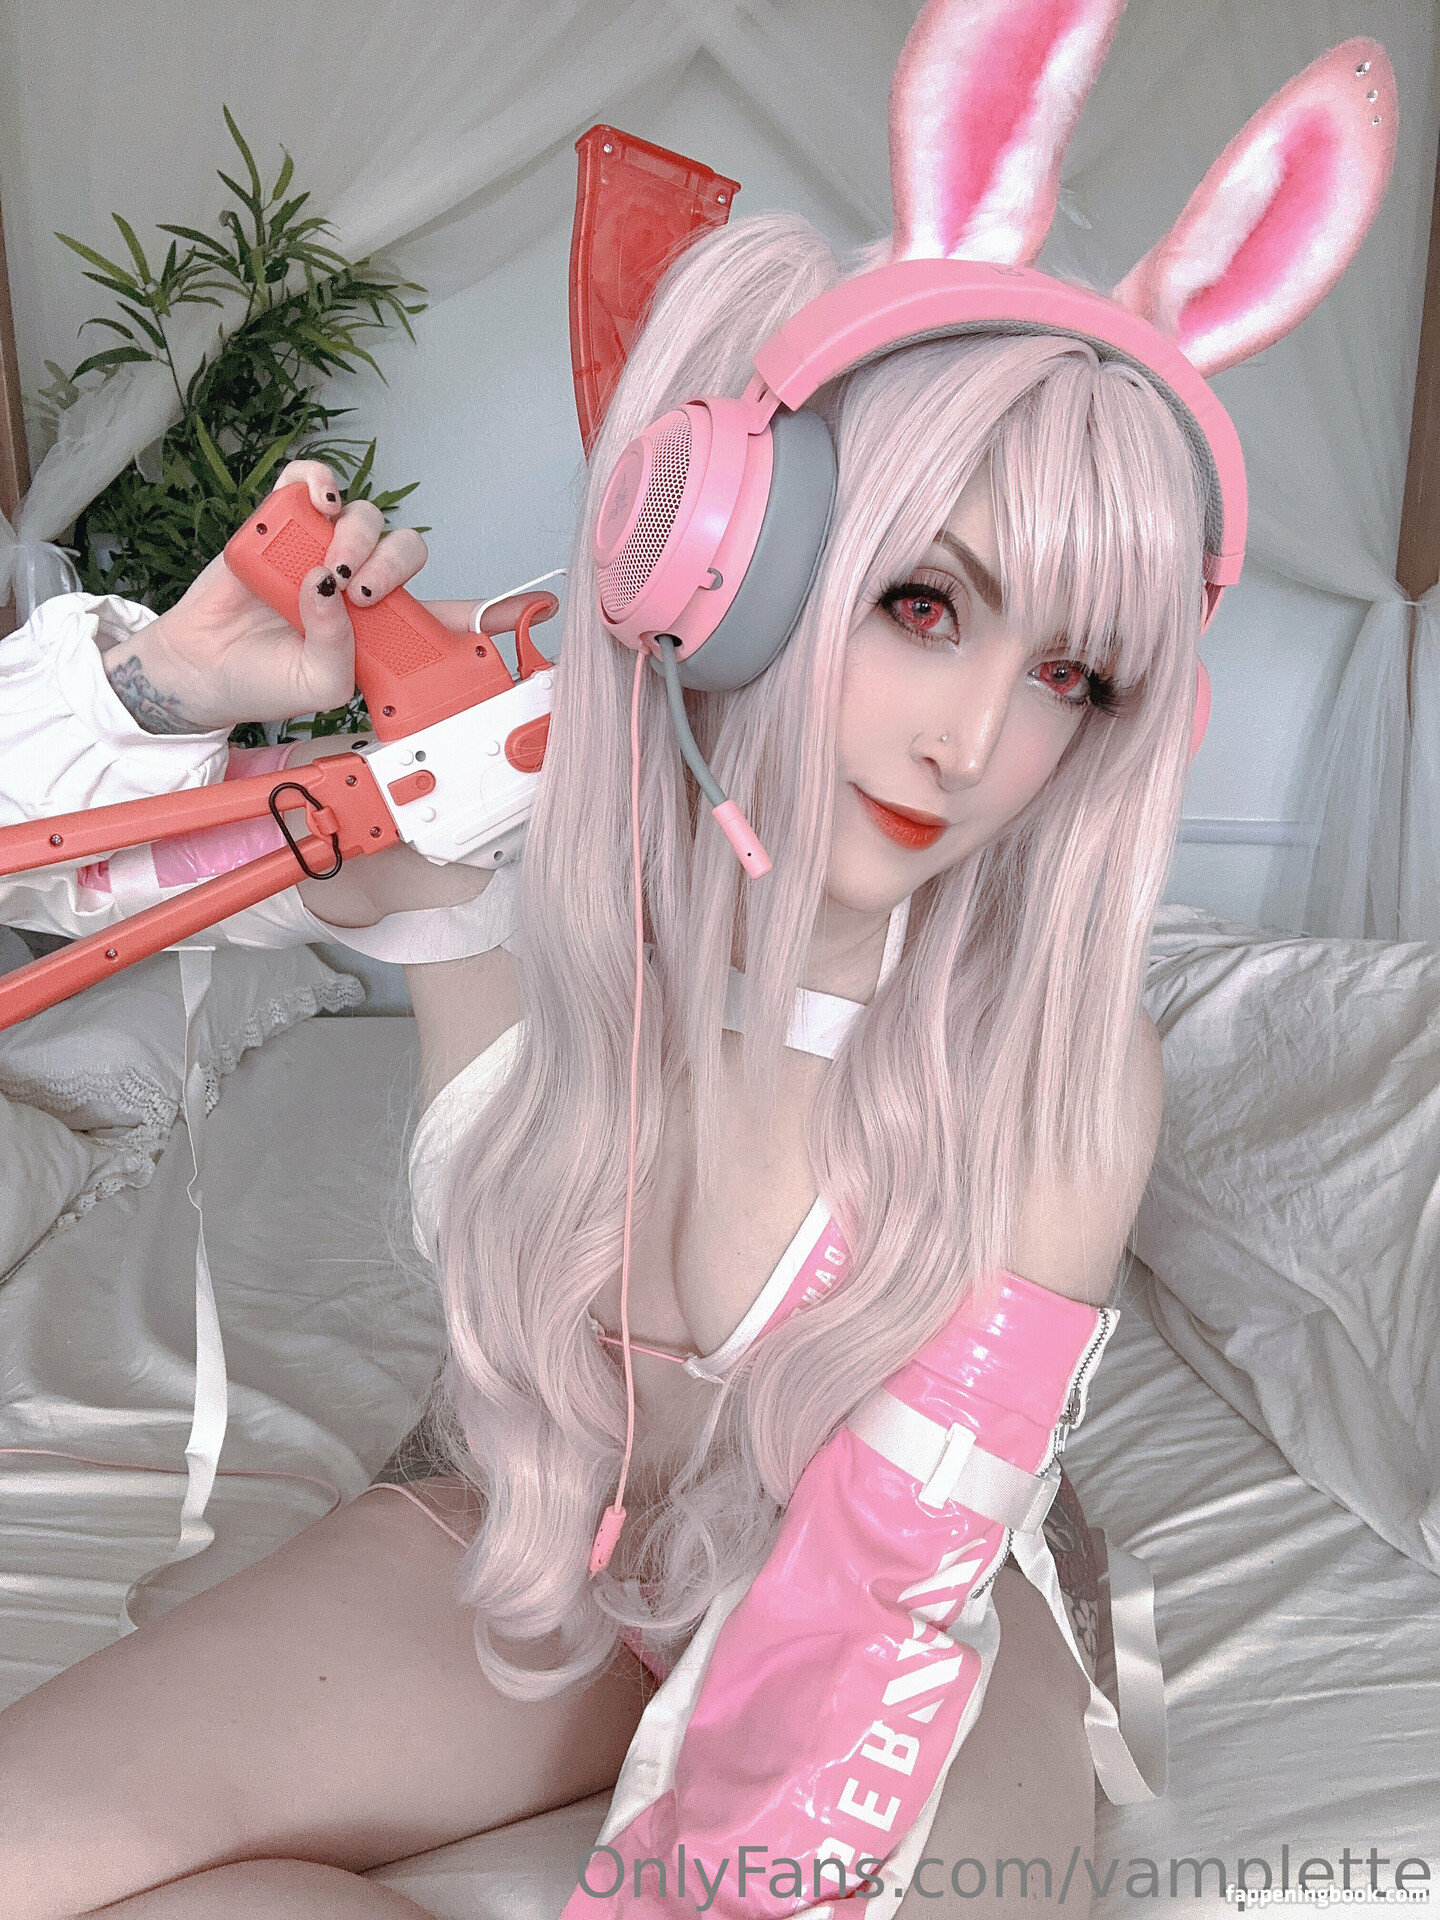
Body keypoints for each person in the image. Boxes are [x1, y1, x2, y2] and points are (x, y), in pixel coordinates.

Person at [0, 0, 1395, 1912]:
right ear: (741, 563)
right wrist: (176, 688)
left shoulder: (1061, 1063)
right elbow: (71, 887)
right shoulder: (527, 852)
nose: (973, 740)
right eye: (926, 604)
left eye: (1070, 672)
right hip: (542, 1527)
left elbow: (879, 1587)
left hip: (906, 1608)